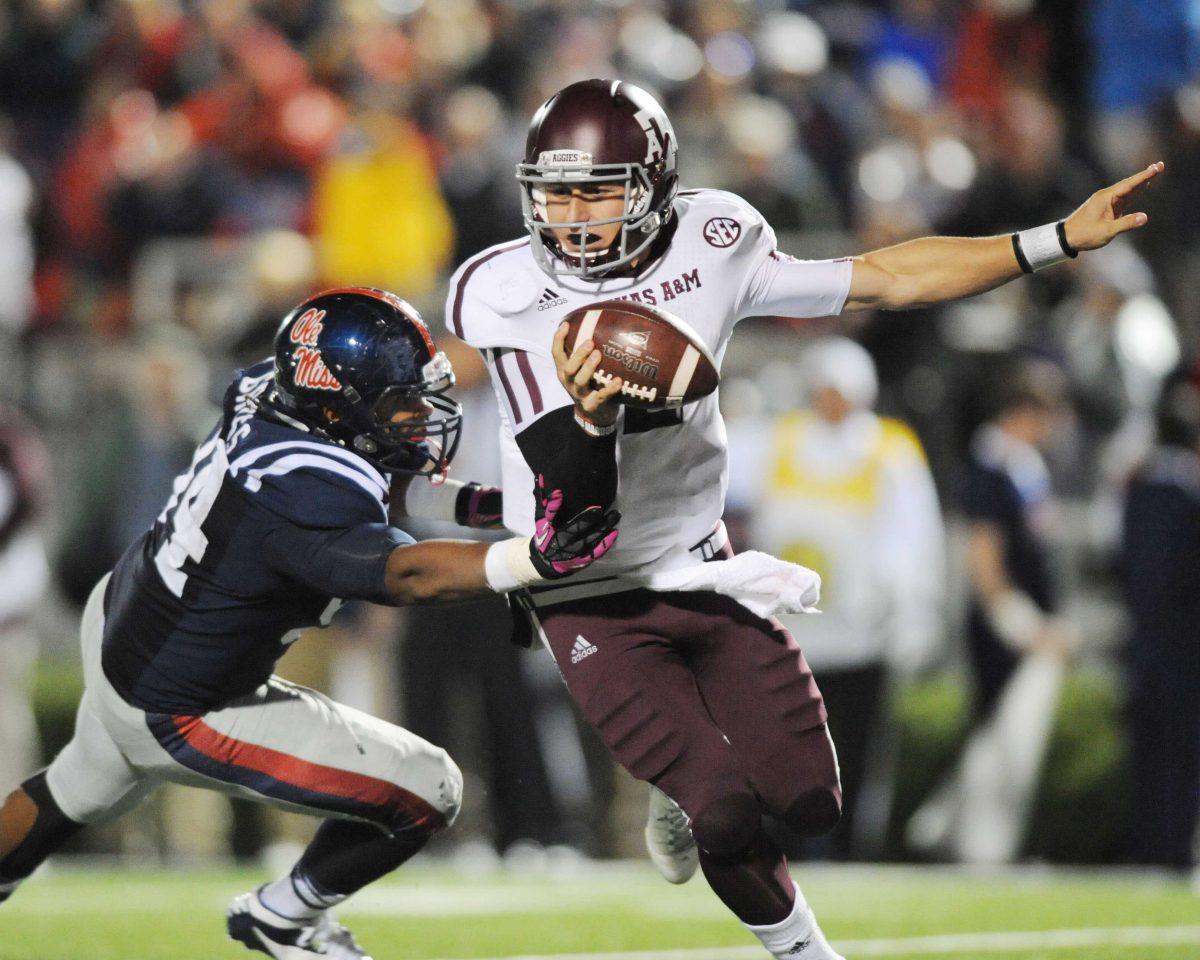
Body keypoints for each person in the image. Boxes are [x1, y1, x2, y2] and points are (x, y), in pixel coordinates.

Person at [445, 78, 1160, 960]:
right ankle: (796, 936)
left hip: (700, 561)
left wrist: (1050, 242)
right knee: (728, 810)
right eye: (554, 191)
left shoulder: (718, 239)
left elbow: (888, 278)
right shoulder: (500, 288)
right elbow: (568, 493)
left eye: (596, 188)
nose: (571, 214)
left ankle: (685, 786)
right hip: (583, 584)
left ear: (655, 185)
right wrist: (589, 422)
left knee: (813, 801)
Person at [0, 288, 620, 960]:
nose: (418, 413)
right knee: (427, 788)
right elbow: (406, 574)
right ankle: (282, 916)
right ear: (338, 405)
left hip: (126, 624)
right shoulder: (302, 487)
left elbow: (367, 472)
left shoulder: (267, 391)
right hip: (183, 704)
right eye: (399, 401)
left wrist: (487, 506)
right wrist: (533, 559)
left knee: (68, 791)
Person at [726, 336, 944, 860]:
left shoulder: (890, 448)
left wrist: (916, 611)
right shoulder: (781, 439)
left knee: (856, 751)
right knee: (788, 746)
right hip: (795, 633)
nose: (832, 401)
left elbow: (918, 537)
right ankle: (796, 848)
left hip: (862, 631)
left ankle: (850, 849)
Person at [908, 358, 1075, 865]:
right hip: (1005, 626)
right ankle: (975, 845)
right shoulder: (990, 462)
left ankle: (955, 832)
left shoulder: (1026, 465)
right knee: (999, 737)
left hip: (1034, 624)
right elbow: (984, 553)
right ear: (1025, 410)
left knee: (1015, 741)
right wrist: (1019, 621)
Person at [1120, 362, 1200, 873]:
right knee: (1175, 750)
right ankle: (1166, 849)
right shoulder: (1174, 485)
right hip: (1179, 640)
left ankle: (1155, 847)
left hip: (1150, 642)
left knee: (1156, 751)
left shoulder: (1140, 479)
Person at [0, 407, 51, 795]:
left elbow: (22, 520)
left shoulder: (11, 446)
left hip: (6, 615)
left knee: (7, 722)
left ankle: (12, 824)